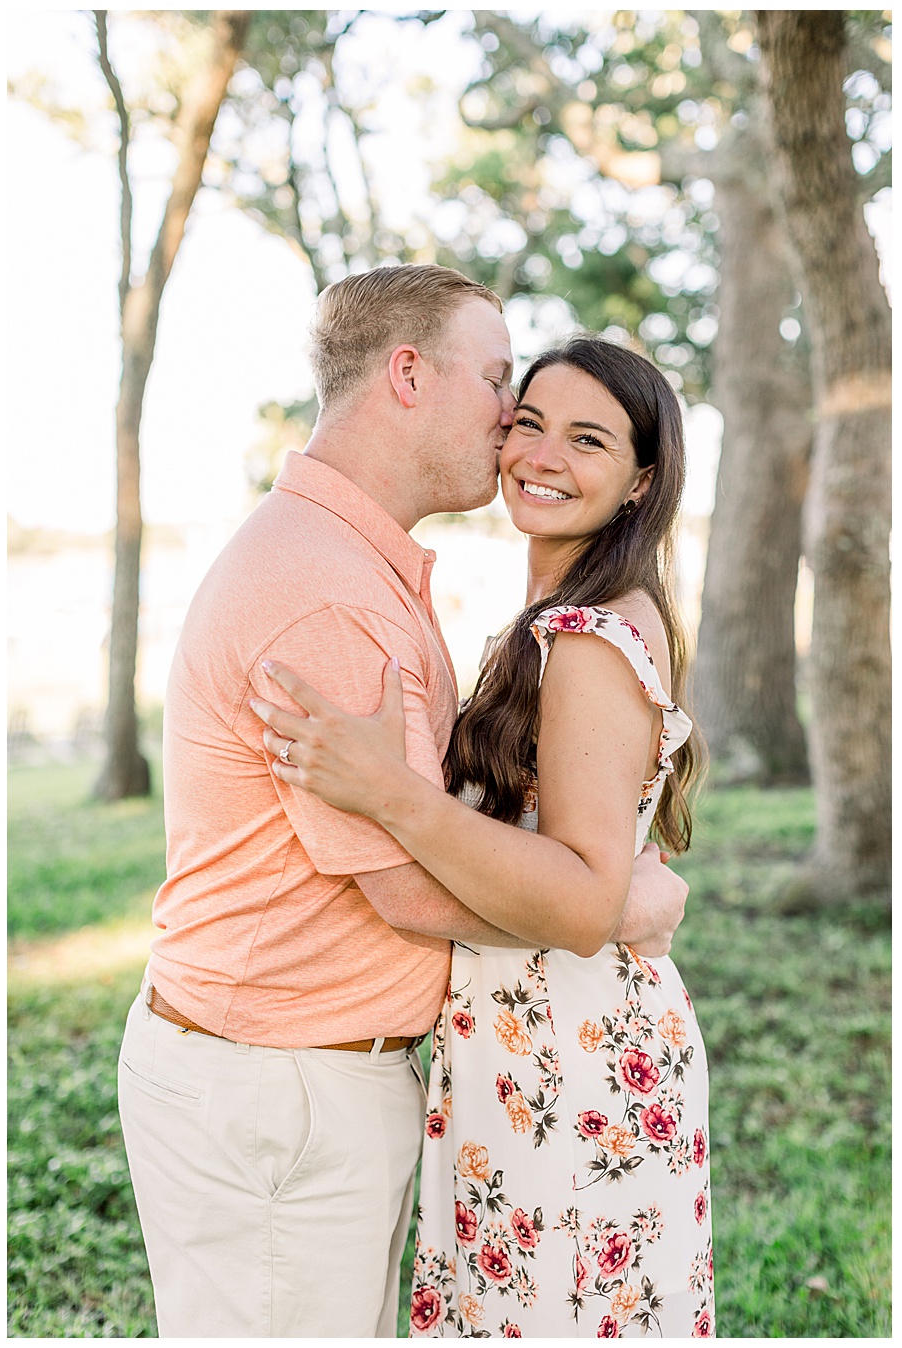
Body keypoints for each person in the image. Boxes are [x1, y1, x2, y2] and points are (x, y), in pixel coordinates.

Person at [115, 265, 692, 1338]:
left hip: (319, 1081)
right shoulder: (327, 592)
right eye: (502, 390)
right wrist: (610, 905)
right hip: (278, 1091)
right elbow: (407, 890)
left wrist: (592, 884)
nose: (515, 431)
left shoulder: (361, 565)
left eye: (580, 434)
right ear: (411, 376)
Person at [251, 337, 713, 1337]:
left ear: (641, 482)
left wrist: (390, 793)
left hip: (571, 1057)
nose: (543, 455)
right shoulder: (558, 620)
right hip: (525, 1042)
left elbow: (584, 897)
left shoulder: (589, 641)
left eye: (587, 439)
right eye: (529, 423)